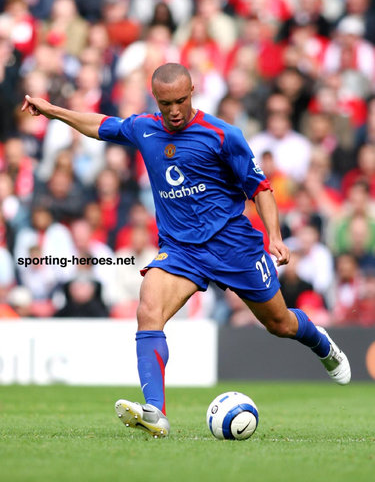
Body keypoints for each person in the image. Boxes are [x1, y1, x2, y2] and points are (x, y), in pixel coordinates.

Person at [22, 62, 351, 439]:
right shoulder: (145, 128)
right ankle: (155, 412)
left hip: (233, 245)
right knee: (148, 307)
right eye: (165, 104)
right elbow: (100, 125)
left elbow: (260, 188)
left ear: (192, 91)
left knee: (280, 324)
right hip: (181, 250)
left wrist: (275, 235)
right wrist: (53, 111)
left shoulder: (222, 134)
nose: (174, 110)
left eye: (180, 100)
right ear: (155, 100)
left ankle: (322, 343)